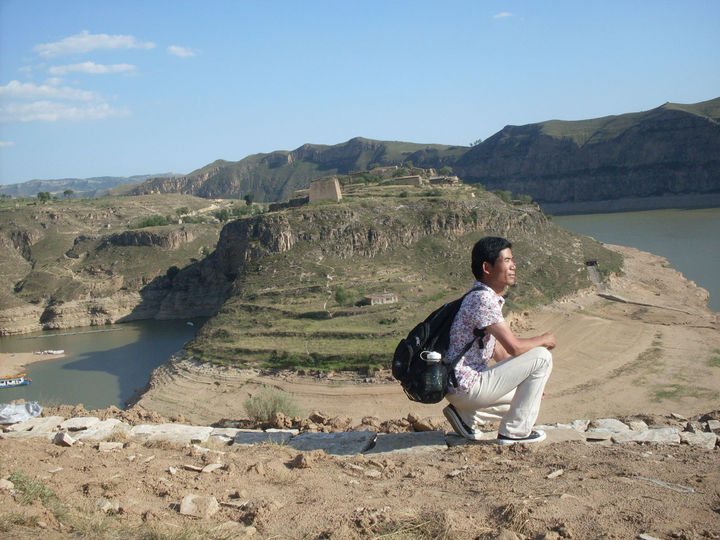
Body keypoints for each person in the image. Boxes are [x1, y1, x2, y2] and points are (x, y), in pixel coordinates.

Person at [442, 236, 556, 444]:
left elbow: (500, 353)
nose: (514, 266)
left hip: (461, 386)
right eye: (507, 261)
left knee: (528, 396)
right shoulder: (483, 299)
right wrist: (543, 339)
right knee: (541, 356)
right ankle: (515, 432)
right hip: (467, 386)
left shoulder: (479, 296)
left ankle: (466, 416)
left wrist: (530, 385)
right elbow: (514, 347)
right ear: (487, 267)